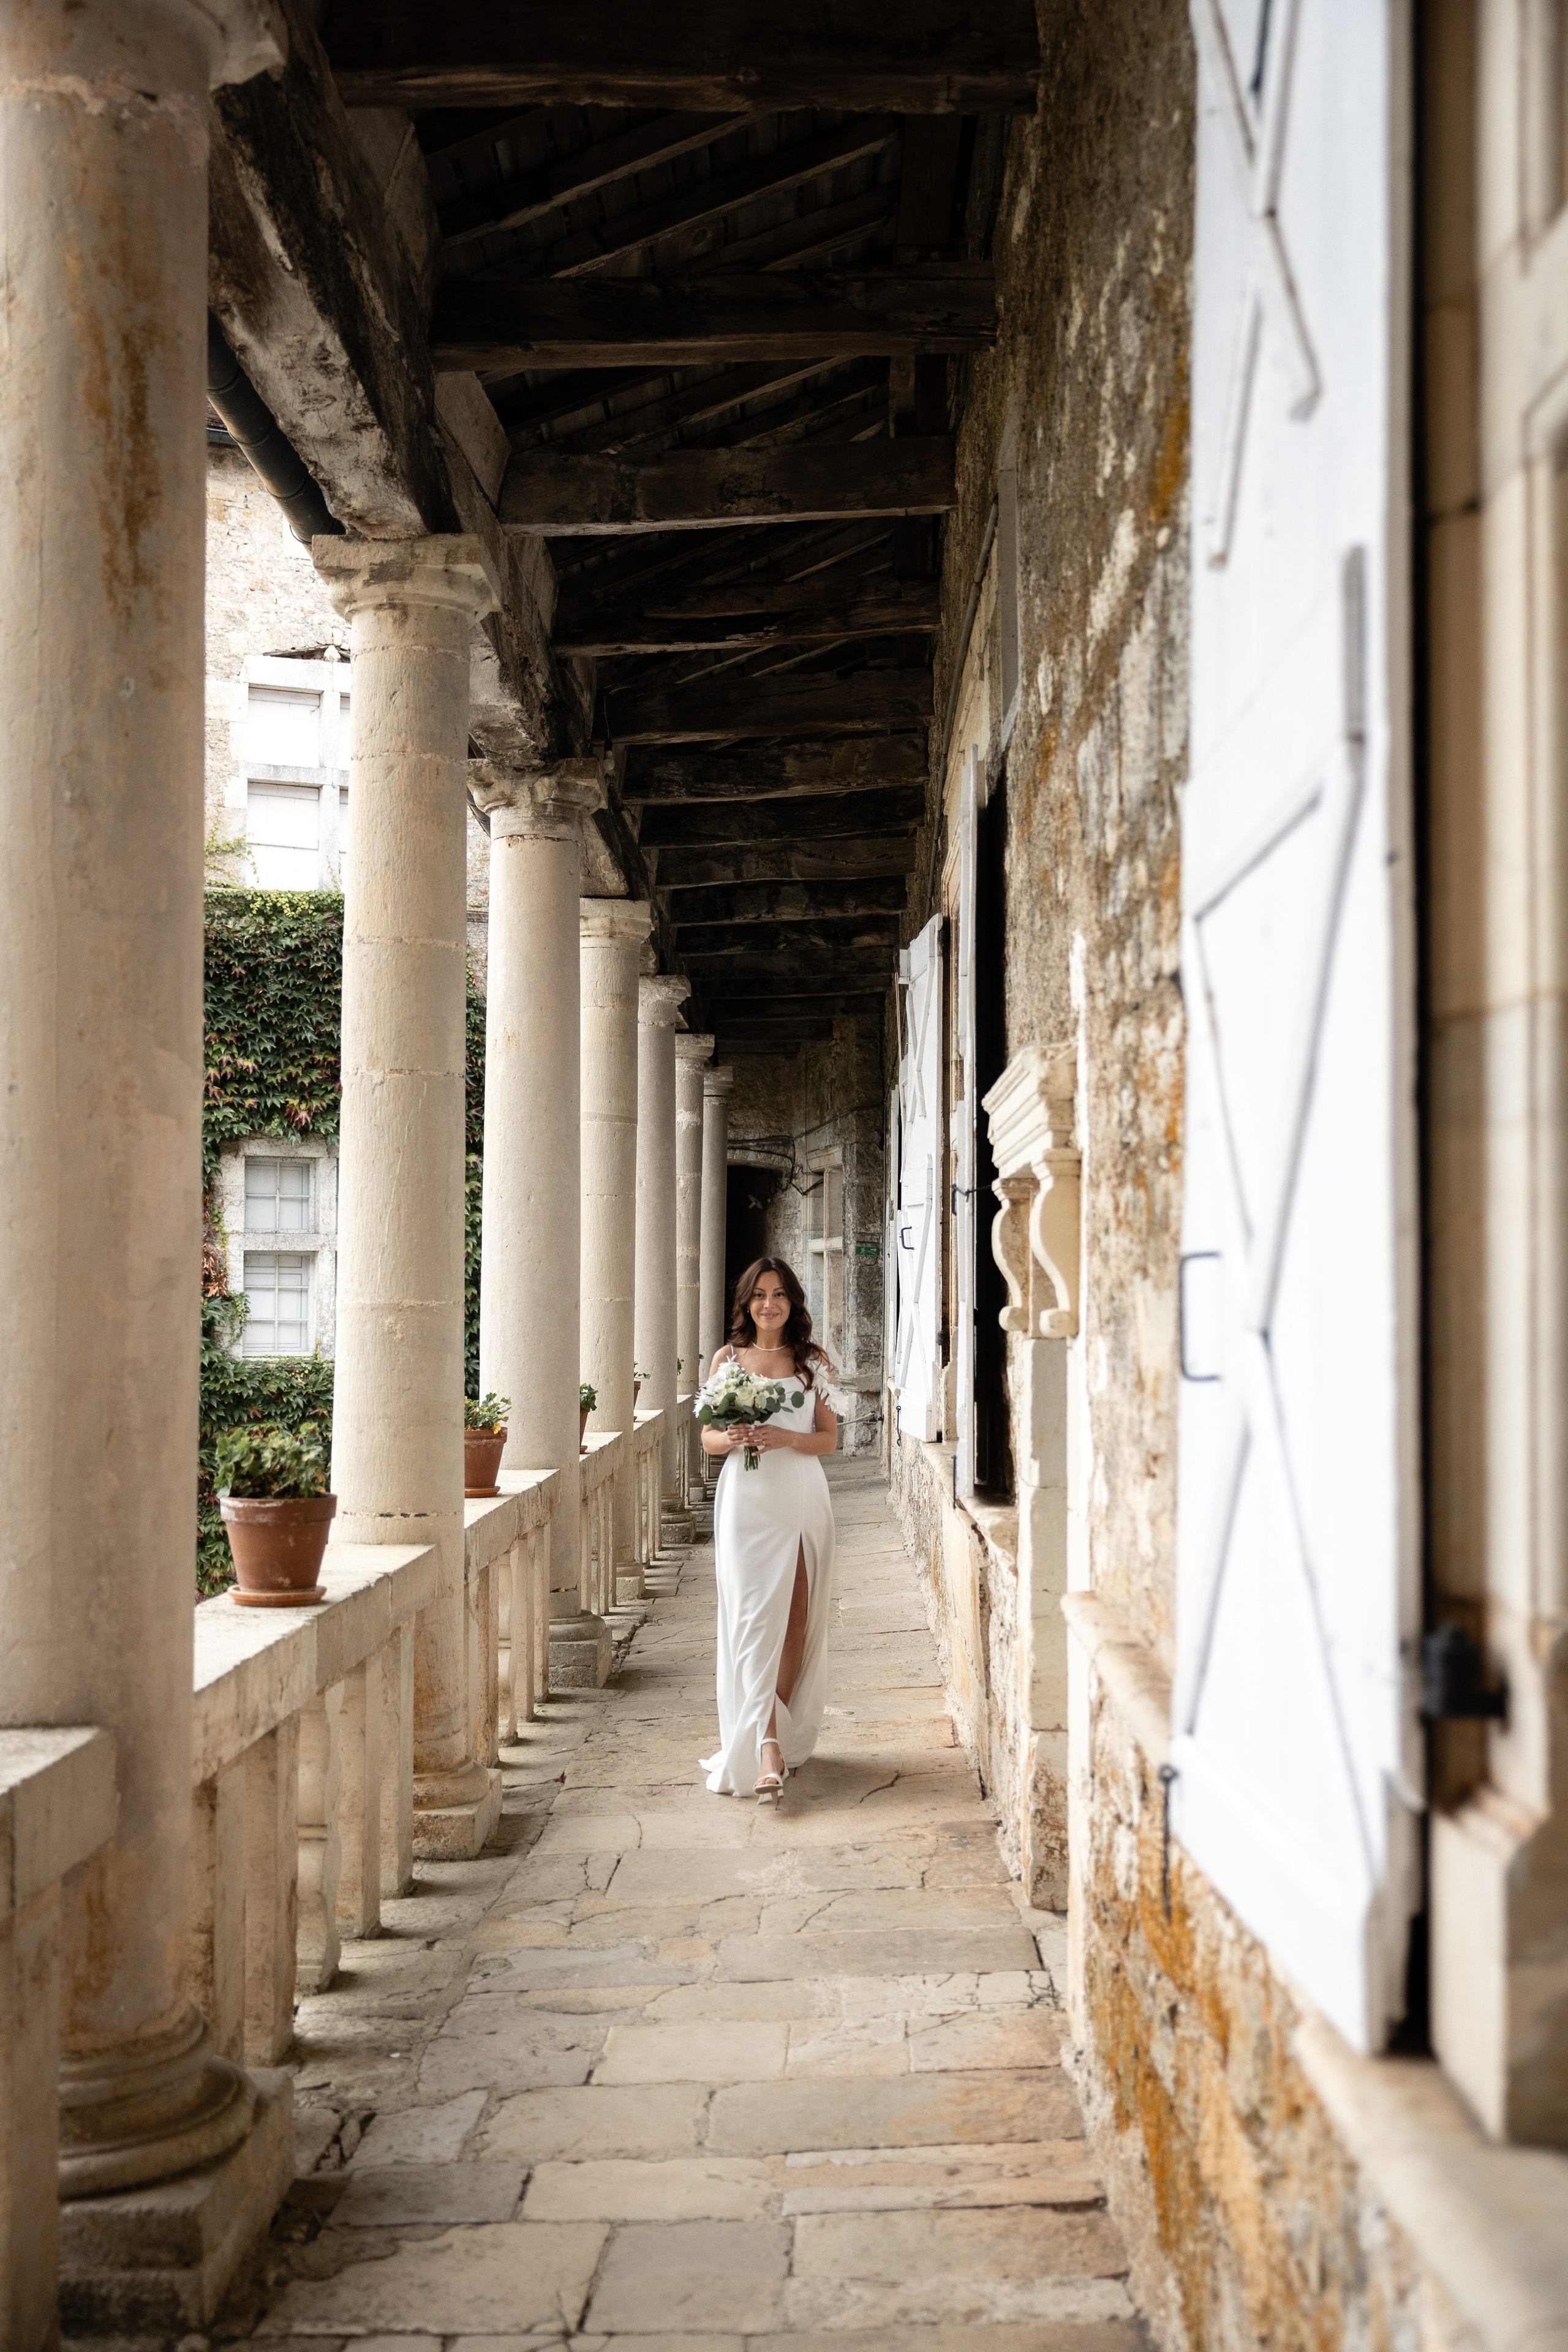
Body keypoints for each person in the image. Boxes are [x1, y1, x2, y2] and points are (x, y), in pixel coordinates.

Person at [698, 1256, 839, 1801]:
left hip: (800, 1496)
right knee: (753, 1617)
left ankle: (773, 1726)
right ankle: (766, 1744)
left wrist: (787, 1439)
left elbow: (829, 1438)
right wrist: (731, 1439)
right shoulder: (728, 1359)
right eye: (759, 1294)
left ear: (793, 1302)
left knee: (793, 1619)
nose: (769, 1304)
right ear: (746, 1303)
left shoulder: (811, 1361)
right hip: (746, 1501)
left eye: (779, 1293)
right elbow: (708, 1438)